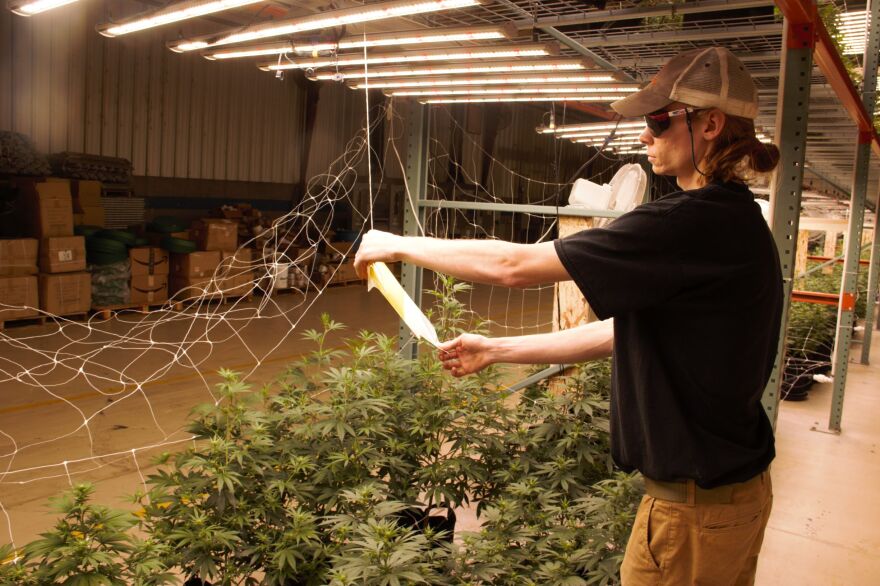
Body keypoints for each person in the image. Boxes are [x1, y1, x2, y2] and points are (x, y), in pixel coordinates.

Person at [353, 46, 782, 586]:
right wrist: (499, 348)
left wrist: (396, 243)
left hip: (695, 512)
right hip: (718, 499)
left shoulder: (691, 223)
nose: (645, 136)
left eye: (658, 121)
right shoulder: (733, 220)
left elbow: (515, 266)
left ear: (711, 124)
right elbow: (624, 332)